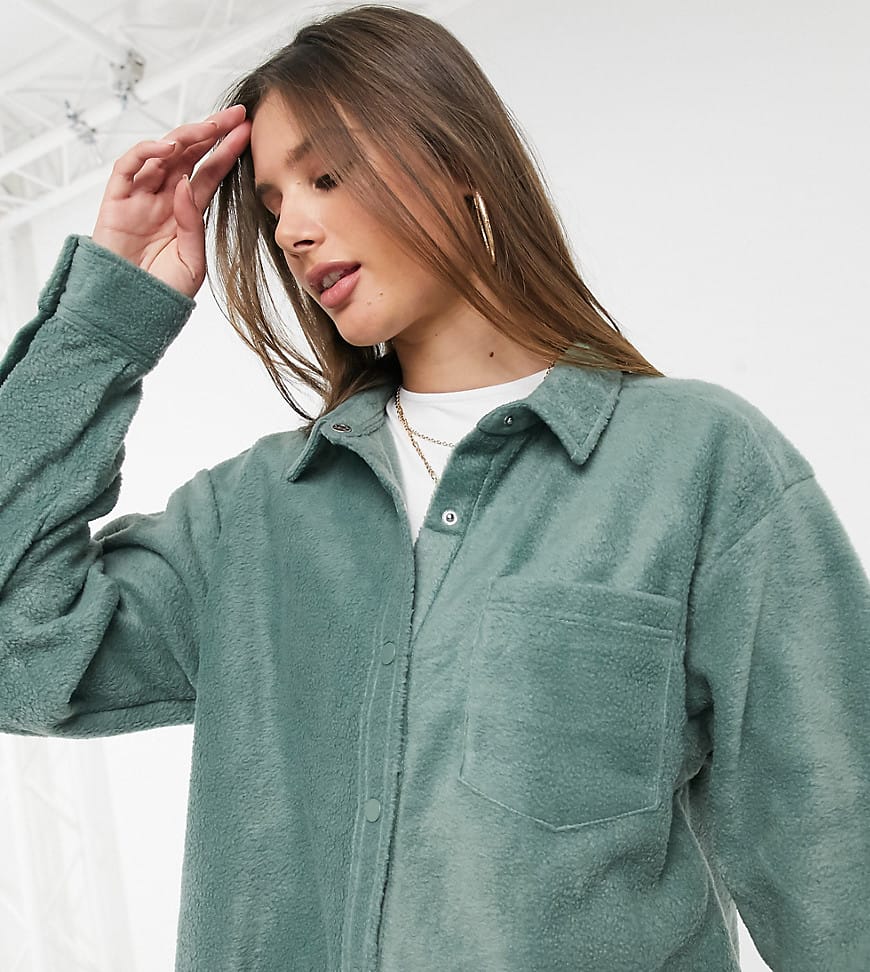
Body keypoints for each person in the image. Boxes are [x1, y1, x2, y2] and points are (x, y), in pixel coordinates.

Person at [1, 5, 868, 971]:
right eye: (274, 205)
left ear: (456, 160)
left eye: (327, 177)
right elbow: (17, 651)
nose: (293, 230)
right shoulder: (249, 518)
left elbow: (835, 853)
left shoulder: (698, 464)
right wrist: (107, 315)